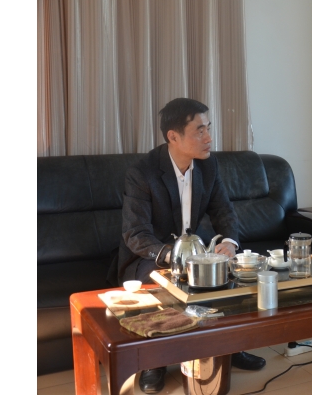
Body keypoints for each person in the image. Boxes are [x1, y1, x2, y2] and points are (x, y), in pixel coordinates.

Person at [110, 98, 266, 394]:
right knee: (160, 285)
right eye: (200, 131)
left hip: (195, 252)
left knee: (227, 274)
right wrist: (176, 257)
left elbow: (224, 211)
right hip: (150, 255)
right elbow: (135, 233)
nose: (209, 138)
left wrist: (229, 243)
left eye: (209, 129)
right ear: (173, 136)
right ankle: (155, 361)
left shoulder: (208, 165)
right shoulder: (142, 173)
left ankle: (230, 348)